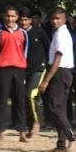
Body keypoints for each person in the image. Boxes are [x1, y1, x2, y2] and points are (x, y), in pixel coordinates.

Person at [38, 7, 76, 152]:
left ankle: (72, 137)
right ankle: (61, 144)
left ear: (64, 19)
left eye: (58, 18)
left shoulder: (61, 35)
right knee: (60, 109)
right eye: (53, 18)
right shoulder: (59, 33)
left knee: (54, 108)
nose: (55, 21)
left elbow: (57, 60)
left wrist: (46, 80)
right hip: (61, 72)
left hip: (59, 72)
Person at [0, 6, 29, 143]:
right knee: (2, 101)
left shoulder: (23, 33)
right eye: (8, 16)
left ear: (17, 17)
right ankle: (1, 132)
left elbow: (25, 51)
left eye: (13, 16)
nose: (10, 19)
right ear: (4, 17)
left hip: (19, 69)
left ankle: (22, 132)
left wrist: (20, 62)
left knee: (20, 101)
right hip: (4, 69)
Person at [21, 8, 50, 138]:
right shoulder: (18, 33)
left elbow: (49, 48)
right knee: (23, 97)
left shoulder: (39, 32)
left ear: (30, 20)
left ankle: (36, 122)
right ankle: (27, 124)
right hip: (23, 69)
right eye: (21, 20)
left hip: (39, 68)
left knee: (30, 95)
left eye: (26, 20)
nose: (23, 22)